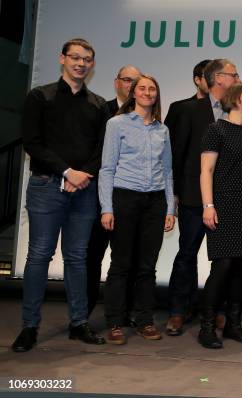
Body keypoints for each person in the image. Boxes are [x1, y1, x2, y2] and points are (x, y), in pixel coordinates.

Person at [13, 38, 107, 353]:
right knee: (39, 255)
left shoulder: (98, 104)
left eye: (87, 59)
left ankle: (78, 324)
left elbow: (100, 150)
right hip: (46, 186)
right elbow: (33, 142)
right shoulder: (41, 96)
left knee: (78, 258)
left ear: (92, 64)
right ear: (62, 58)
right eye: (76, 58)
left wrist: (81, 177)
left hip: (84, 190)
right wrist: (67, 172)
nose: (81, 63)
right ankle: (29, 327)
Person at [99, 74, 175, 345]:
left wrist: (170, 208)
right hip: (125, 199)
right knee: (121, 265)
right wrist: (107, 208)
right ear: (133, 93)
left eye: (152, 89)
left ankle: (144, 320)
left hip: (154, 202)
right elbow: (107, 168)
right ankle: (115, 322)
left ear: (156, 95)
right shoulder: (116, 124)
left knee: (147, 267)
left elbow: (167, 171)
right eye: (142, 88)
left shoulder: (161, 130)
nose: (147, 92)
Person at [166, 59, 240, 336]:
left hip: (228, 198)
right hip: (194, 198)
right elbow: (174, 155)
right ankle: (178, 310)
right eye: (233, 74)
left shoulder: (237, 111)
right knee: (187, 253)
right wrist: (172, 194)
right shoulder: (185, 109)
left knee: (223, 259)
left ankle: (214, 309)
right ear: (218, 78)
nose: (237, 78)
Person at [198, 82, 242, 349]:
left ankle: (233, 324)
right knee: (223, 266)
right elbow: (206, 171)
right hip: (224, 205)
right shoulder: (216, 129)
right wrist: (208, 206)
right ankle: (206, 327)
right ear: (233, 98)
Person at [86, 64, 141, 319]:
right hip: (100, 196)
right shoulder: (100, 110)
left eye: (136, 81)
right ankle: (83, 311)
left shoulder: (148, 117)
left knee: (128, 257)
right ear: (116, 82)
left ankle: (123, 311)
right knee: (93, 254)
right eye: (127, 80)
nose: (131, 85)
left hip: (132, 198)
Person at [164, 59, 212, 135]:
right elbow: (167, 140)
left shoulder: (226, 108)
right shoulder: (178, 108)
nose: (213, 81)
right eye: (208, 76)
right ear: (197, 80)